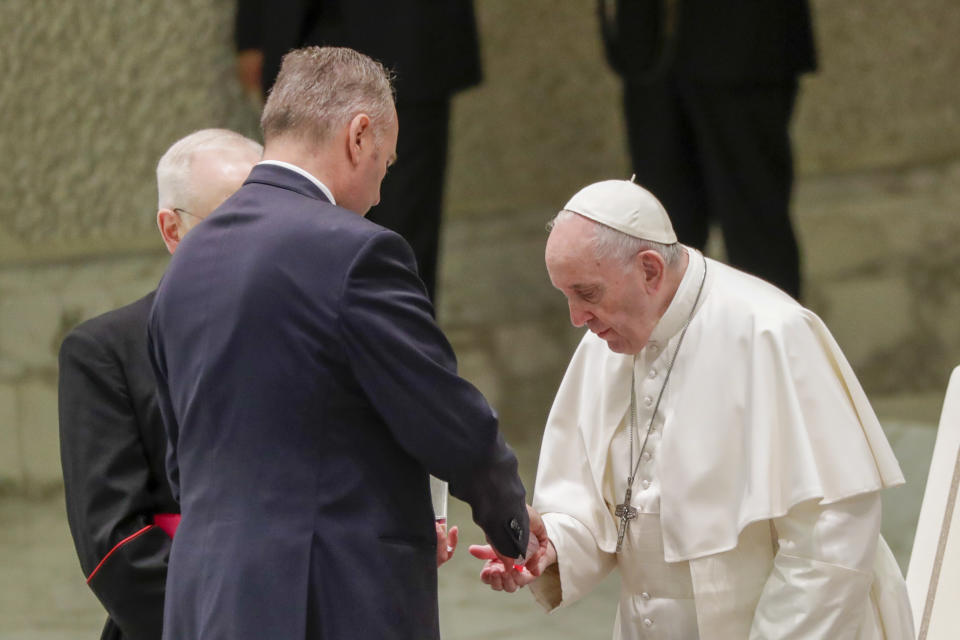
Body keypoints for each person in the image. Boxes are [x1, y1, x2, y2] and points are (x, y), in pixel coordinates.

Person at [147, 47, 533, 640]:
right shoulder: (356, 252)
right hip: (325, 597)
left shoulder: (187, 261)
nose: (380, 190)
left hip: (206, 595)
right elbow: (443, 415)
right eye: (386, 160)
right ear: (358, 136)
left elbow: (182, 452)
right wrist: (513, 522)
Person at [470, 179, 914, 638]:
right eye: (566, 296)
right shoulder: (603, 347)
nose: (576, 318)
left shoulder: (771, 334)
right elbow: (605, 512)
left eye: (587, 293)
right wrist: (554, 543)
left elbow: (830, 540)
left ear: (649, 270)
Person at [58, 128, 263, 640]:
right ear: (173, 230)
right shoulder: (106, 352)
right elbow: (114, 544)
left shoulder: (319, 328)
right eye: (229, 221)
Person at [233, 0, 482, 301]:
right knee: (302, 234)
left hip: (407, 36)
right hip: (306, 33)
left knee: (400, 241)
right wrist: (253, 29)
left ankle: (397, 343)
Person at [599, 0, 816, 299]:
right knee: (660, 231)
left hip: (742, 38)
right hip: (650, 38)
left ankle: (769, 343)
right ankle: (674, 346)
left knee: (754, 229)